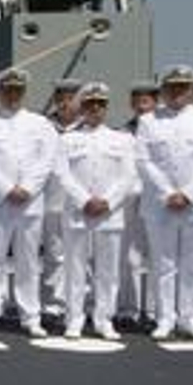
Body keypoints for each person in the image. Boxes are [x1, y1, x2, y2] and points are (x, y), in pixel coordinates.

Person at [0, 69, 58, 338]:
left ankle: (30, 315)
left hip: (29, 202)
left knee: (28, 261)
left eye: (17, 90)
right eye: (7, 90)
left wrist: (28, 188)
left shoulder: (40, 123)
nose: (12, 95)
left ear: (24, 92)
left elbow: (47, 160)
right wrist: (8, 188)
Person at [136, 65, 193, 341]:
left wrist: (188, 194)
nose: (177, 92)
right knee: (163, 263)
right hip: (161, 204)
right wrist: (168, 192)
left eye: (183, 87)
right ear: (163, 91)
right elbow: (144, 161)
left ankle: (190, 318)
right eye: (172, 87)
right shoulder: (149, 121)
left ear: (191, 89)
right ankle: (165, 318)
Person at [55, 84, 138, 341]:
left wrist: (108, 201)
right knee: (75, 268)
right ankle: (75, 318)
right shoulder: (67, 139)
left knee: (108, 270)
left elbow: (128, 175)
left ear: (106, 108)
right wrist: (84, 200)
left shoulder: (122, 139)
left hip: (109, 213)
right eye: (90, 104)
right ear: (82, 107)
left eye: (100, 104)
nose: (95, 109)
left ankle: (104, 318)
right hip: (78, 213)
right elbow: (62, 173)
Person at [116, 80, 160, 328]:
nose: (143, 105)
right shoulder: (123, 134)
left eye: (148, 100)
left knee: (158, 256)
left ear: (156, 102)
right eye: (138, 100)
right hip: (131, 199)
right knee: (130, 257)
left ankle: (154, 311)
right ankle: (128, 309)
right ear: (132, 103)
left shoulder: (166, 129)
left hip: (158, 199)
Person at [42, 78, 83, 324]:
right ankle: (53, 305)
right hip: (52, 201)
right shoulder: (45, 127)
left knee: (83, 257)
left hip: (82, 204)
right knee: (54, 256)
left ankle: (82, 305)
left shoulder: (88, 127)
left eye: (71, 98)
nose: (65, 103)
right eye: (61, 98)